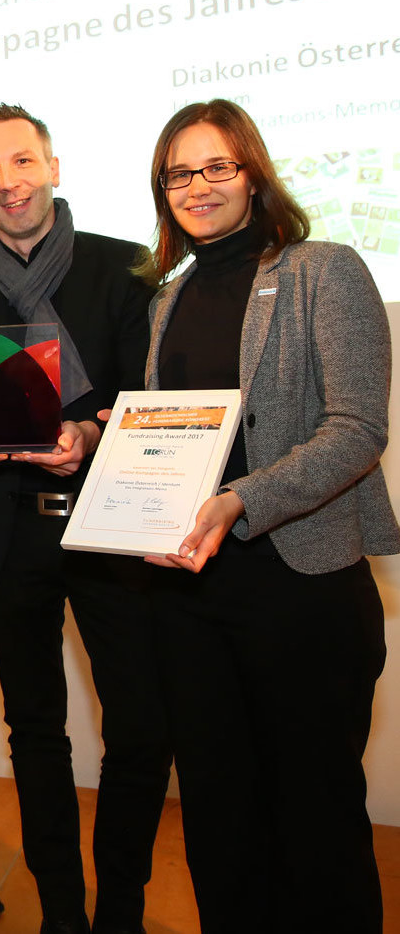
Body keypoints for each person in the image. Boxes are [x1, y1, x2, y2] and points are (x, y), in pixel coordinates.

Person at [0, 104, 170, 934]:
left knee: (138, 727)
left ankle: (119, 910)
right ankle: (64, 910)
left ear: (54, 166)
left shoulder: (124, 268)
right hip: (0, 529)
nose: (9, 181)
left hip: (109, 528)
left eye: (22, 162)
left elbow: (154, 403)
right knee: (37, 731)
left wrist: (90, 433)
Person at [140, 99, 396, 933]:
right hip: (192, 599)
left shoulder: (324, 268)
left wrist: (244, 498)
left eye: (218, 166)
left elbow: (357, 429)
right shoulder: (164, 301)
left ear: (253, 172)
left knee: (316, 822)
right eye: (181, 172)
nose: (199, 185)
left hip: (302, 591)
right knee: (217, 819)